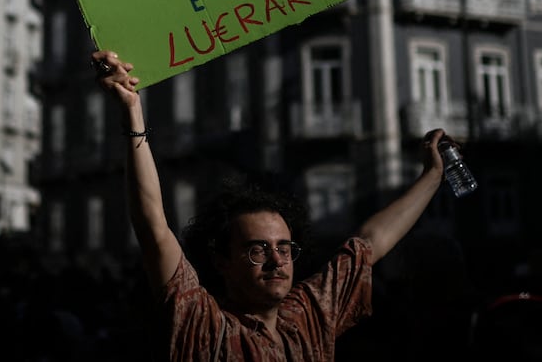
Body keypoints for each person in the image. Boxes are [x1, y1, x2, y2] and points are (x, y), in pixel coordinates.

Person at [92, 49, 448, 361]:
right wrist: (133, 116)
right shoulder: (202, 325)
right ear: (222, 261)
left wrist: (432, 175)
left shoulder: (309, 316)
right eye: (257, 250)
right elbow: (153, 226)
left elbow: (370, 243)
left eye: (283, 247)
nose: (277, 261)